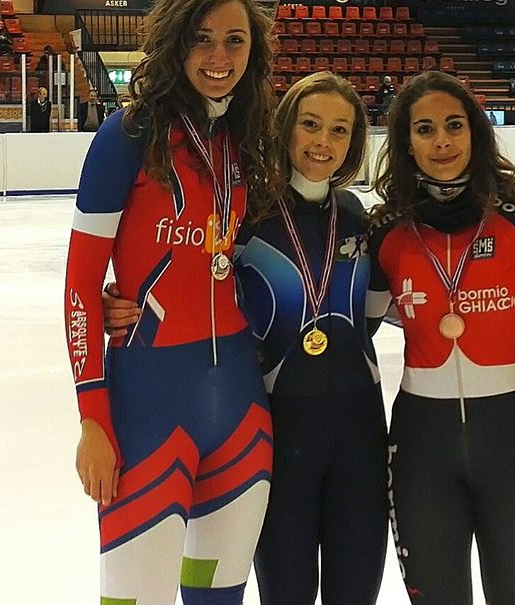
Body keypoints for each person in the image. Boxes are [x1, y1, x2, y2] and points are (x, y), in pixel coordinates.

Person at [102, 72, 389, 605]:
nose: (323, 142)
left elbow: (381, 309)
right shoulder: (248, 214)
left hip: (361, 433)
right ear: (286, 128)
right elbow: (193, 280)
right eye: (310, 124)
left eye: (340, 130)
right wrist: (119, 299)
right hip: (281, 429)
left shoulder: (357, 217)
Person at [64, 0, 280, 605]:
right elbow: (80, 284)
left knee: (217, 595)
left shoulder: (248, 138)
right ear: (174, 43)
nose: (219, 57)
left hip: (240, 411)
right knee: (135, 599)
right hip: (147, 408)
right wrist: (93, 419)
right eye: (201, 38)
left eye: (235, 40)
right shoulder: (127, 136)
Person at [366, 70, 515, 605]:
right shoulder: (386, 232)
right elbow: (353, 337)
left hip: (513, 443)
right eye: (425, 129)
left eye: (454, 126)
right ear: (406, 142)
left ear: (476, 133)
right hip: (421, 449)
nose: (441, 141)